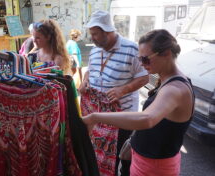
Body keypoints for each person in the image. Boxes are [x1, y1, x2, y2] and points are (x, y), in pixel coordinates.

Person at [82, 29, 194, 176]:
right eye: (140, 59)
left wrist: (95, 117)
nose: (141, 64)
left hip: (154, 167)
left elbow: (147, 119)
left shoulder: (175, 89)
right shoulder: (168, 79)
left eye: (145, 59)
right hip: (147, 162)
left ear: (166, 53)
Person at [79, 10, 148, 176]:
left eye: (95, 34)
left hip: (122, 116)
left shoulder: (132, 49)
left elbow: (144, 77)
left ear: (107, 31)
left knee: (120, 157)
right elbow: (91, 70)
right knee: (98, 156)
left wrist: (122, 90)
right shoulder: (95, 50)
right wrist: (84, 81)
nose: (92, 38)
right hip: (99, 115)